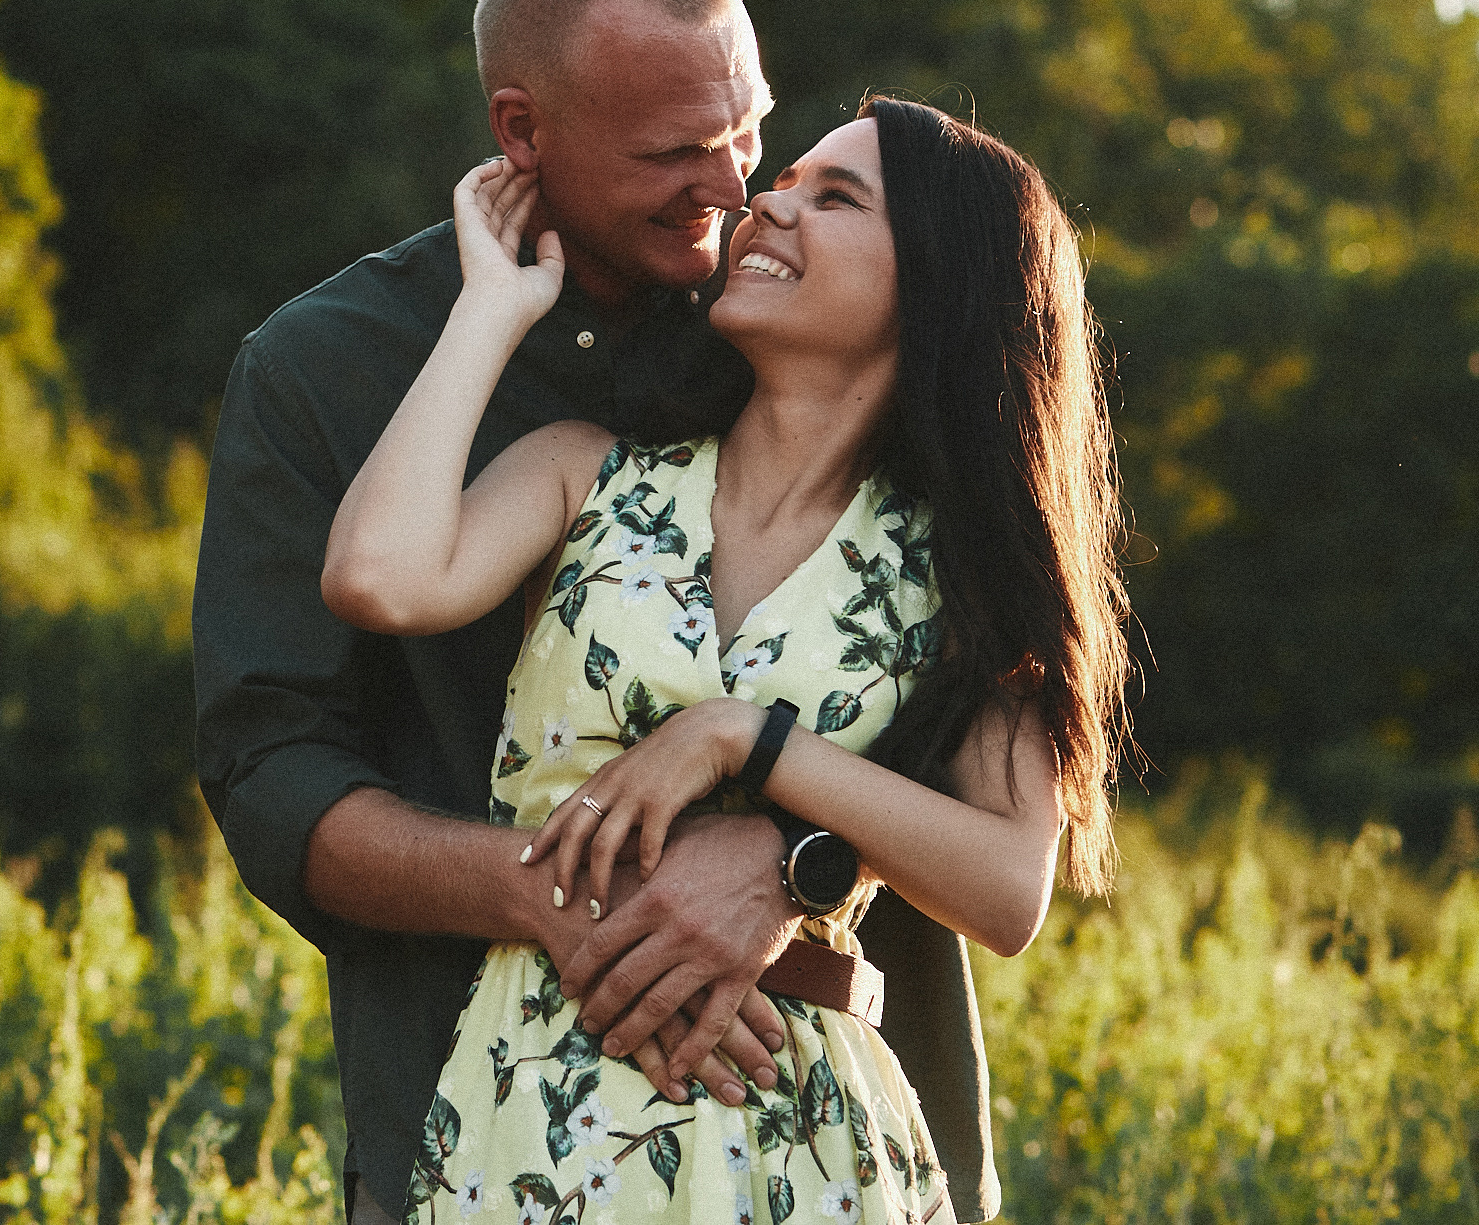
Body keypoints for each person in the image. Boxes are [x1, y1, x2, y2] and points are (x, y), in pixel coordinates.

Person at [191, 0, 1002, 1225]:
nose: (740, 185)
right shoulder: (321, 372)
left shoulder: (826, 312)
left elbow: (963, 694)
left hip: (839, 1132)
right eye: (676, 150)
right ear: (523, 131)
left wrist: (796, 859)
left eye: (752, 129)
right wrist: (576, 903)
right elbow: (274, 773)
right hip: (497, 1129)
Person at [320, 100, 1131, 1224]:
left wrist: (743, 740)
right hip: (538, 1111)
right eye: (784, 179)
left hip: (809, 1138)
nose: (767, 206)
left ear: (940, 284)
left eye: (834, 197)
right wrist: (489, 312)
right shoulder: (583, 476)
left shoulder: (965, 575)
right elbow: (377, 576)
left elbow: (1006, 892)